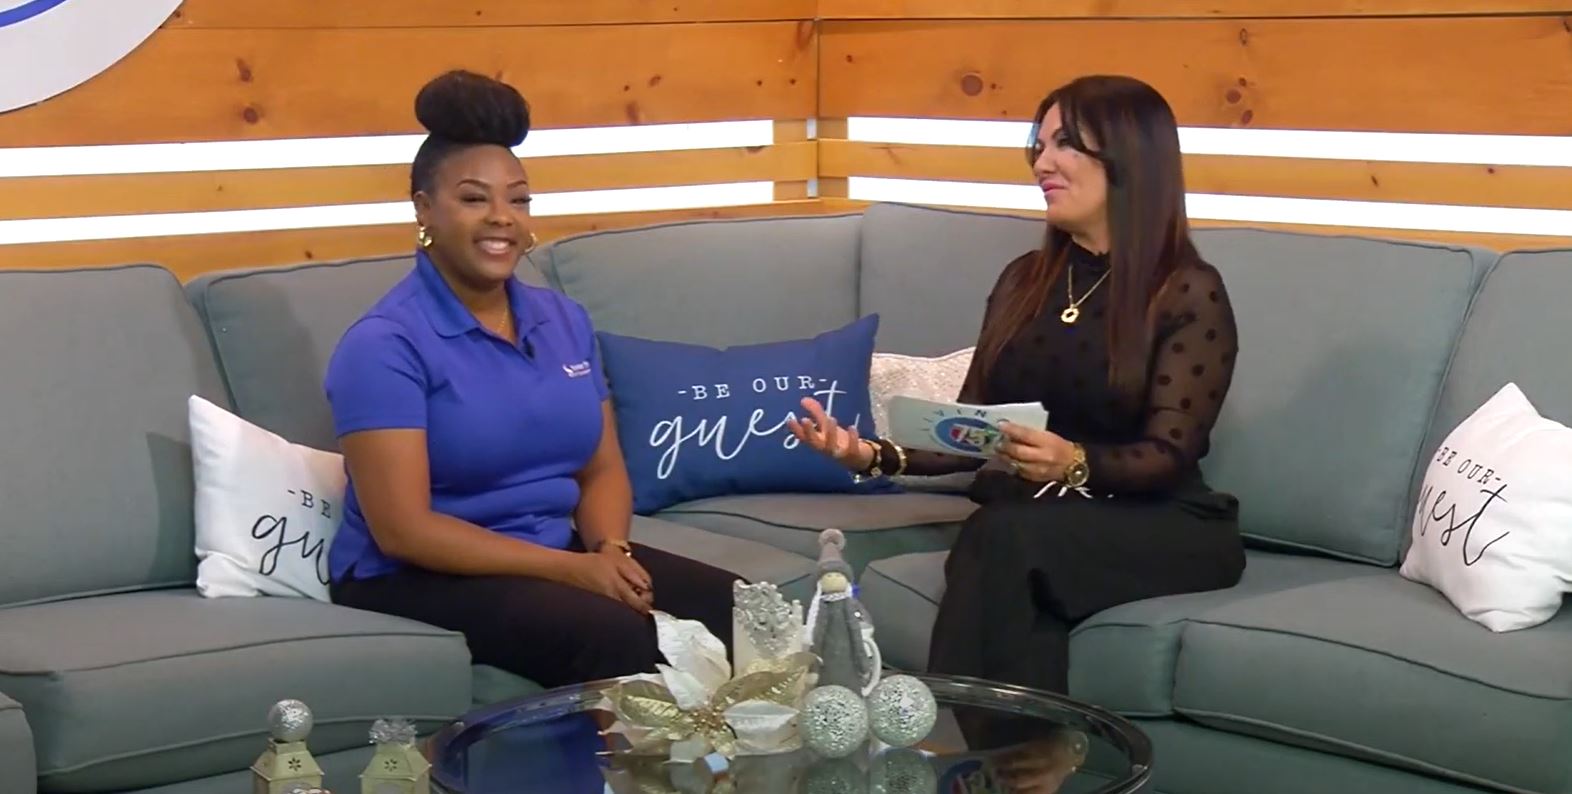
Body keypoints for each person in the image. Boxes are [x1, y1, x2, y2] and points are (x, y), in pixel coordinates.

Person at [787, 75, 1246, 701]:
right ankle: (1025, 759)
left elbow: (1170, 454)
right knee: (1008, 535)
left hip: (1165, 522)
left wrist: (1075, 461)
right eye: (1038, 143)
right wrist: (870, 454)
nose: (1041, 162)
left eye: (1065, 144)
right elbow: (973, 427)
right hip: (1045, 519)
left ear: (1129, 159)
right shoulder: (1024, 280)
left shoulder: (1188, 290)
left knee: (1003, 535)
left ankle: (966, 755)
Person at [323, 70, 740, 688]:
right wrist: (570, 572)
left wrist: (609, 552)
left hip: (555, 550)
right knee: (615, 635)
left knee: (749, 611)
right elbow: (404, 529)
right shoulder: (383, 344)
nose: (502, 219)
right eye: (473, 198)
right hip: (412, 577)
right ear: (423, 209)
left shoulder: (562, 319)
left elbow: (600, 467)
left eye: (517, 199)